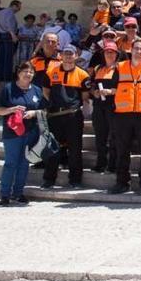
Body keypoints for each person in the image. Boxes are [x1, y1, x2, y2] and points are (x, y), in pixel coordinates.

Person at [0, 62, 47, 205]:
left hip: (30, 132)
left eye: (31, 72)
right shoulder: (8, 89)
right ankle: (5, 194)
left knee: (24, 163)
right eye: (25, 71)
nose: (28, 74)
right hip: (12, 133)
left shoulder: (36, 90)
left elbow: (44, 111)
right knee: (11, 163)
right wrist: (11, 110)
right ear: (18, 72)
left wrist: (33, 112)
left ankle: (18, 193)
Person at [109, 38, 141, 195]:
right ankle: (122, 183)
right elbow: (114, 88)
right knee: (122, 150)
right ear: (131, 49)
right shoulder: (120, 67)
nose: (139, 52)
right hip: (123, 115)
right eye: (136, 48)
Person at [40, 45, 91, 189]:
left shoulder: (83, 75)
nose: (68, 56)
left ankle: (75, 180)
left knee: (75, 149)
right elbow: (46, 91)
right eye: (66, 53)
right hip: (55, 116)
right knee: (53, 149)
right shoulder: (51, 72)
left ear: (76, 56)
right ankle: (49, 179)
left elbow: (85, 97)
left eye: (71, 54)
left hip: (73, 116)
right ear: (61, 55)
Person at [90, 41, 119, 173]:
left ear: (116, 54)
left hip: (113, 106)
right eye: (107, 52)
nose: (109, 54)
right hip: (98, 107)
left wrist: (111, 91)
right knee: (100, 136)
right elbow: (91, 85)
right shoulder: (97, 69)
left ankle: (112, 164)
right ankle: (101, 162)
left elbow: (125, 88)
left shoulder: (120, 69)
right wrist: (94, 92)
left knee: (114, 136)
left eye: (112, 52)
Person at [0, 0, 21, 81]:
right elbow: (8, 24)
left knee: (1, 56)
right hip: (7, 35)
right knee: (8, 57)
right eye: (19, 7)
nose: (19, 9)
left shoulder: (0, 12)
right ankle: (6, 77)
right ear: (14, 5)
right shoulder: (10, 13)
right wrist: (13, 35)